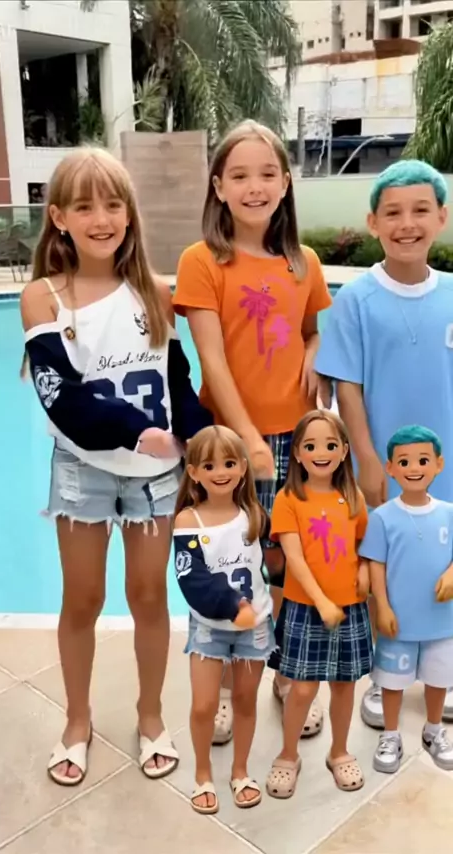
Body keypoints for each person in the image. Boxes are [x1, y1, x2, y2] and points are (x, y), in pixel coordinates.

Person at [20, 147, 212, 786]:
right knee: (83, 598)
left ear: (129, 214)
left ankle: (150, 715)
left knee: (149, 596)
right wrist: (141, 433)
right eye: (84, 206)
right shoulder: (44, 297)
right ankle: (77, 720)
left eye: (112, 204)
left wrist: (197, 436)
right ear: (59, 217)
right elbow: (62, 399)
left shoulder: (154, 292)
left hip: (156, 477)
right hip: (83, 471)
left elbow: (176, 380)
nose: (101, 219)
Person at [173, 119, 332, 743]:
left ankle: (286, 672)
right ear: (218, 187)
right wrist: (248, 441)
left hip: (298, 439)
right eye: (238, 175)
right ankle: (219, 687)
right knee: (227, 560)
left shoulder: (303, 262)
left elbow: (314, 330)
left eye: (267, 173)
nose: (254, 186)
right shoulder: (201, 261)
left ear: (286, 183)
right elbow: (211, 360)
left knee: (289, 561)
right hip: (228, 445)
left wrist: (314, 351)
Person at [315, 159, 453, 728]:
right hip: (384, 465)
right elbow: (347, 385)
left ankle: (443, 670)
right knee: (387, 567)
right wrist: (367, 457)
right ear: (373, 223)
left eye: (421, 210)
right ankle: (387, 674)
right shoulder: (356, 299)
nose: (407, 224)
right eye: (393, 213)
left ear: (442, 217)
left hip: (445, 461)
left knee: (442, 562)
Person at [266, 410, 372, 799]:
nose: (321, 453)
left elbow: (365, 547)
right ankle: (288, 754)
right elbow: (293, 558)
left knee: (344, 686)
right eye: (311, 446)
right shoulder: (288, 499)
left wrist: (364, 572)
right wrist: (322, 601)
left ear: (344, 451)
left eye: (330, 445)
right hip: (305, 608)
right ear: (296, 453)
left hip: (350, 608)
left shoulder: (354, 498)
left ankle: (339, 751)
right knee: (302, 689)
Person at [173, 425, 275, 814]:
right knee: (204, 706)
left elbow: (272, 564)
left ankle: (239, 771)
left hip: (256, 628)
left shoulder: (254, 515)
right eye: (210, 465)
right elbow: (194, 579)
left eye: (230, 463)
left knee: (246, 701)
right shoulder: (188, 522)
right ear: (194, 472)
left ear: (243, 468)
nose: (221, 472)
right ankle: (203, 774)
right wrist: (235, 607)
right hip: (210, 628)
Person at [359, 426, 453, 773]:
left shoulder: (448, 513)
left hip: (441, 621)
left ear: (438, 464)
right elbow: (376, 564)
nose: (414, 468)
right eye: (404, 462)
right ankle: (391, 734)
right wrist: (382, 606)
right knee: (391, 682)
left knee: (439, 678)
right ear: (390, 468)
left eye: (423, 460)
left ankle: (434, 729)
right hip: (397, 621)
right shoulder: (383, 517)